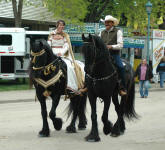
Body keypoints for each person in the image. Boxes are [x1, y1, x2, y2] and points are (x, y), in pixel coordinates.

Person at [47, 20, 85, 96]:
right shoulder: (51, 34)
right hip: (52, 54)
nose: (62, 27)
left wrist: (61, 53)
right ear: (57, 25)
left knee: (70, 67)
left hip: (63, 55)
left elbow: (66, 46)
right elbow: (48, 45)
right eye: (60, 25)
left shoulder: (65, 35)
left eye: (63, 25)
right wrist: (54, 53)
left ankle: (71, 86)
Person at [100, 15, 127, 96]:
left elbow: (120, 45)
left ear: (112, 23)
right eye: (105, 22)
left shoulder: (118, 31)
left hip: (114, 55)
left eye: (108, 22)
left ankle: (122, 87)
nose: (106, 23)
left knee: (121, 67)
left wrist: (111, 46)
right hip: (103, 55)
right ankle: (87, 85)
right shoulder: (101, 32)